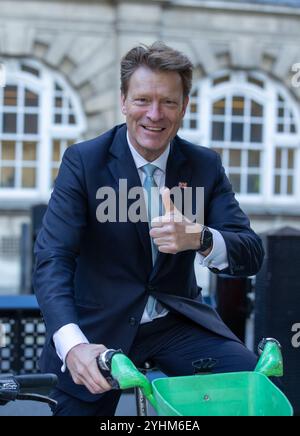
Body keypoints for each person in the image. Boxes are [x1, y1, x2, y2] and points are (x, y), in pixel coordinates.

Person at [33, 41, 264, 416]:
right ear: (123, 101)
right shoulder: (84, 161)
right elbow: (52, 259)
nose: (154, 114)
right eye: (142, 100)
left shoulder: (205, 165)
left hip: (177, 324)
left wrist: (200, 238)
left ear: (184, 107)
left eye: (168, 102)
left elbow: (251, 252)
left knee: (251, 392)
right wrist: (72, 344)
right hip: (96, 328)